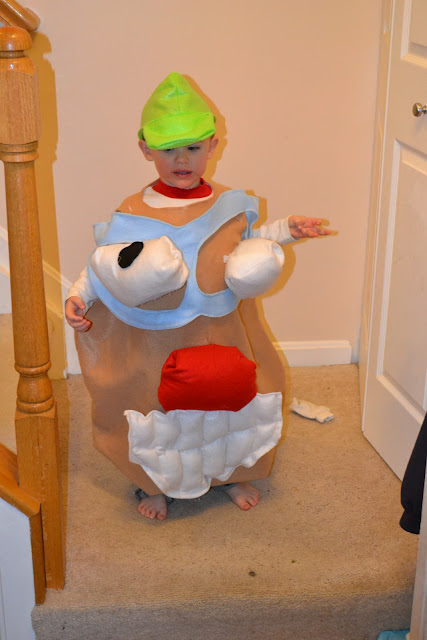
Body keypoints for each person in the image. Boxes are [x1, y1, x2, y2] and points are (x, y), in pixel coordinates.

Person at [65, 72, 330, 521]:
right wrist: (79, 294)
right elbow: (107, 264)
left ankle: (233, 473)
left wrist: (286, 230)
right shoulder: (132, 211)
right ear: (145, 150)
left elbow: (246, 242)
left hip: (221, 332)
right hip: (157, 341)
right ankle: (155, 483)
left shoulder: (230, 203)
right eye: (168, 149)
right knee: (158, 408)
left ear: (212, 146)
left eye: (192, 147)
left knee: (234, 401)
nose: (181, 159)